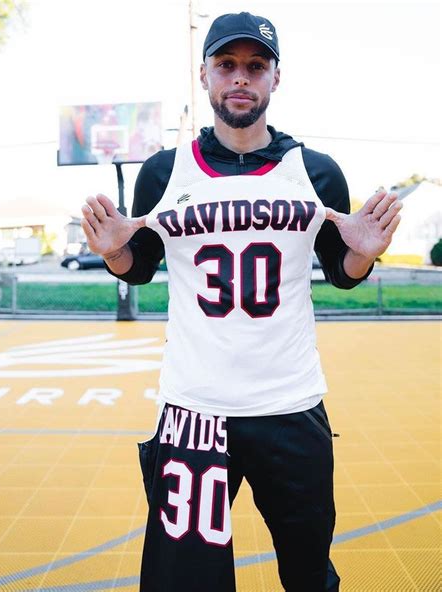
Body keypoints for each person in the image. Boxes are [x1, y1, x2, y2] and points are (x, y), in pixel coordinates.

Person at [80, 12, 402, 592]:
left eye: (256, 66)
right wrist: (112, 254)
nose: (240, 78)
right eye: (226, 65)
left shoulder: (316, 171)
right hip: (194, 413)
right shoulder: (164, 171)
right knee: (186, 583)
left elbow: (343, 273)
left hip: (291, 404)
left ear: (276, 78)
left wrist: (363, 253)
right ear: (203, 74)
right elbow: (143, 268)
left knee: (308, 573)